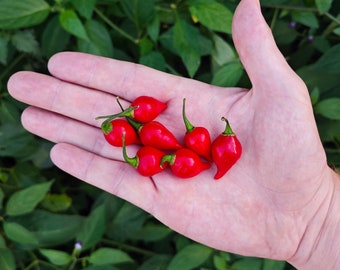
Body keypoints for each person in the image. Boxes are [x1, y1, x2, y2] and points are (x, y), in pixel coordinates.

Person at [7, 0, 340, 268]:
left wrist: (318, 221)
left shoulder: (179, 145)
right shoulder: (166, 141)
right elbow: (169, 149)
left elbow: (175, 151)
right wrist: (316, 225)